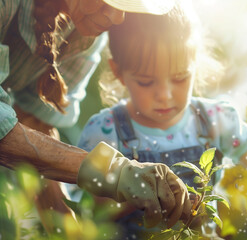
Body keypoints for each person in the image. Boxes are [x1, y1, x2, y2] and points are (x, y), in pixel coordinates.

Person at [76, 0, 247, 237]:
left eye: (179, 78)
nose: (164, 95)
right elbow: (92, 207)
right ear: (118, 72)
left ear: (195, 64)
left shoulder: (215, 120)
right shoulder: (106, 132)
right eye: (146, 81)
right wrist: (139, 195)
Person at [0, 0, 191, 234]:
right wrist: (114, 171)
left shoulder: (82, 34)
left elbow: (35, 121)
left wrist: (69, 229)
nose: (118, 16)